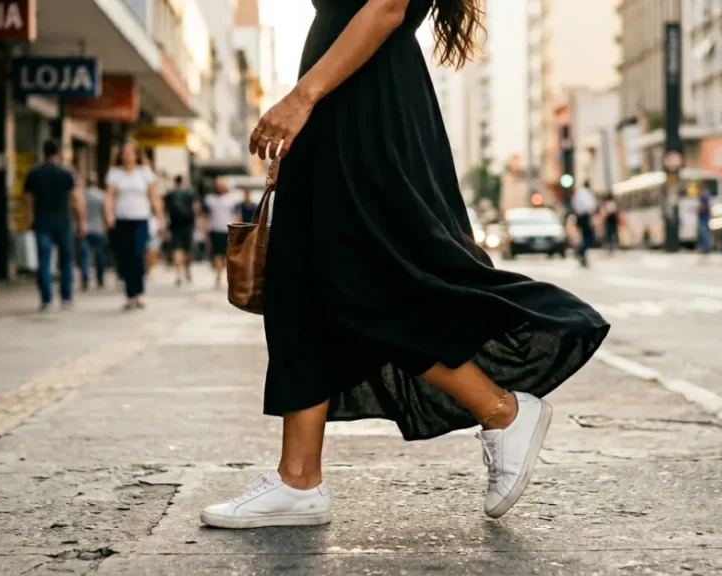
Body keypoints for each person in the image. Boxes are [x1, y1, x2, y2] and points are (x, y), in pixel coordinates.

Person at [199, 0, 608, 530]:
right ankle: (297, 479)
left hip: (366, 101)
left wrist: (301, 100)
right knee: (300, 281)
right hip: (339, 96)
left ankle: (501, 410)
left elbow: (386, 7)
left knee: (363, 280)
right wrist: (308, 121)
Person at [23, 140, 84, 311]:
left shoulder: (34, 173)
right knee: (65, 261)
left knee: (44, 260)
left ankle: (46, 299)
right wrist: (81, 221)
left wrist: (29, 219)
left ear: (43, 152)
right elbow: (76, 199)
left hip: (42, 222)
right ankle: (66, 298)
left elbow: (28, 199)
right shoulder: (67, 173)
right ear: (58, 153)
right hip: (63, 222)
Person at [105, 140, 163, 310]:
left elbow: (154, 196)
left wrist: (160, 218)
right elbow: (109, 196)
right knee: (125, 257)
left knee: (138, 255)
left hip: (140, 220)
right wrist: (108, 214)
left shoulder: (144, 173)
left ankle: (139, 293)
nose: (127, 155)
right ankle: (130, 295)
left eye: (130, 152)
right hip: (122, 221)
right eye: (124, 152)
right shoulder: (114, 173)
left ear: (137, 155)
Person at [164, 175, 200, 285]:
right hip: (188, 224)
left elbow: (165, 209)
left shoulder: (170, 194)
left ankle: (178, 274)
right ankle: (187, 270)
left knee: (177, 249)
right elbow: (196, 207)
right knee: (188, 249)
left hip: (174, 225)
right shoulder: (191, 192)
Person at [201, 177, 234, 289]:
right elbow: (205, 216)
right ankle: (218, 275)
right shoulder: (209, 199)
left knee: (226, 255)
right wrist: (204, 230)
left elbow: (236, 215)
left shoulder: (231, 199)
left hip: (227, 230)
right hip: (214, 230)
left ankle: (221, 272)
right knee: (216, 254)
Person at [79, 173, 108, 290]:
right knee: (100, 256)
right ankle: (100, 278)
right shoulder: (102, 195)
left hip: (85, 228)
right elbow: (105, 212)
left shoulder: (82, 195)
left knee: (85, 256)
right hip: (99, 228)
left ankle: (85, 278)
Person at [572, 181, 598, 267]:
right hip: (584, 217)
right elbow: (590, 206)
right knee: (590, 238)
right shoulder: (586, 193)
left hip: (580, 217)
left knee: (585, 237)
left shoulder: (578, 193)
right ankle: (580, 251)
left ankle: (582, 255)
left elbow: (574, 205)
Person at [697, 186, 712, 254]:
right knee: (703, 234)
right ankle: (704, 247)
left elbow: (707, 206)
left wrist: (700, 210)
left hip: (704, 218)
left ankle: (706, 248)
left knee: (704, 234)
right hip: (703, 218)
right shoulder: (704, 195)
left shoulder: (705, 195)